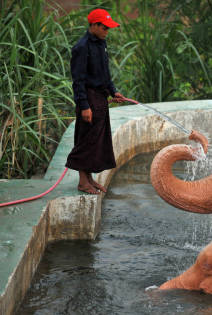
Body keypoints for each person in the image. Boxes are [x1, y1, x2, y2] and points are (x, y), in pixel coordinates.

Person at [66, 9, 125, 194]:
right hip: (89, 98)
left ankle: (89, 178)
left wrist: (114, 91)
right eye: (104, 27)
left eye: (108, 28)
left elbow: (104, 73)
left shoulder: (101, 43)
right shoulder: (82, 47)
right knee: (87, 140)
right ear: (93, 25)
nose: (107, 31)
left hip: (101, 97)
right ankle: (83, 182)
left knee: (97, 140)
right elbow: (78, 81)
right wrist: (84, 106)